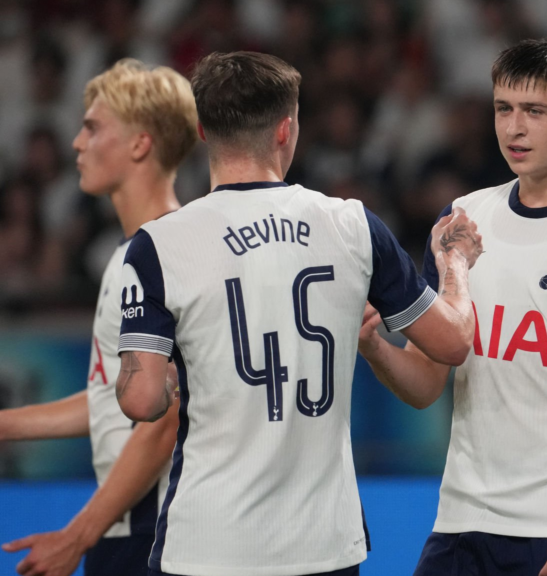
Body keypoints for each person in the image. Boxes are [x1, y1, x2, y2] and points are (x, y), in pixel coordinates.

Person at [113, 51, 481, 576]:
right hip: (322, 544)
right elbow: (450, 344)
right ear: (286, 130)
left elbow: (142, 399)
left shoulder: (158, 245)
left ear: (201, 130)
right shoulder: (352, 226)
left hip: (206, 544)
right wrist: (457, 267)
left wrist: (169, 381)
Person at [357, 39, 547, 576]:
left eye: (535, 111)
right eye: (503, 108)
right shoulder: (463, 219)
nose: (513, 128)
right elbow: (427, 382)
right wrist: (373, 346)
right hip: (460, 525)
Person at [0, 59, 197, 576]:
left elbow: (163, 418)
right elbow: (116, 398)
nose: (76, 143)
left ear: (140, 143)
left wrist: (76, 536)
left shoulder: (163, 252)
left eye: (92, 127)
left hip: (153, 528)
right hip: (135, 524)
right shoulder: (140, 249)